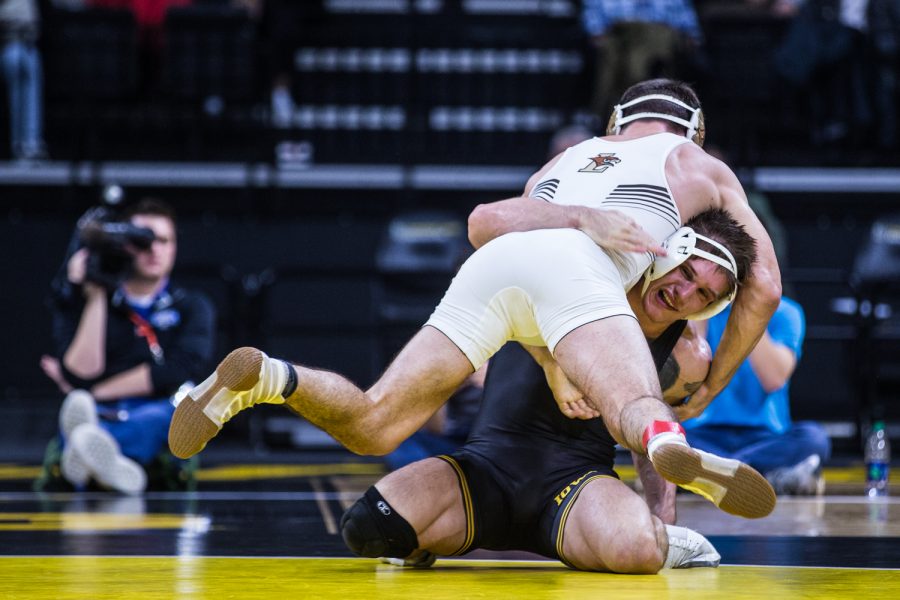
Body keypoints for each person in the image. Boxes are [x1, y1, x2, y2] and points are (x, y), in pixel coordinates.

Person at [169, 78, 782, 520]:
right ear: (696, 131)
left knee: (375, 422)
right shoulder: (696, 163)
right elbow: (764, 285)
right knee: (640, 402)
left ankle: (268, 378)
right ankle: (666, 444)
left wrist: (551, 356)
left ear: (617, 123)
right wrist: (711, 387)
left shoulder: (567, 159)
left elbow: (483, 224)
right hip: (577, 270)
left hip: (494, 270)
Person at [340, 212, 741, 574]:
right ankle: (423, 534)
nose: (683, 294)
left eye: (703, 294)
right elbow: (491, 265)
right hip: (487, 471)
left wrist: (663, 515)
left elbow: (650, 441)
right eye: (686, 274)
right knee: (369, 526)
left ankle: (663, 541)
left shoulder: (687, 357)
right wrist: (549, 360)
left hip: (577, 487)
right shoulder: (579, 276)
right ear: (668, 255)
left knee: (636, 550)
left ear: (710, 308)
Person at [37, 198, 216, 493]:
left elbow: (177, 369)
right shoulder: (88, 299)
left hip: (156, 407)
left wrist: (93, 390)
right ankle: (107, 465)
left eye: (163, 240)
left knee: (159, 417)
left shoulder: (192, 306)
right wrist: (96, 295)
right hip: (101, 408)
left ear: (174, 247)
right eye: (142, 241)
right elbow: (80, 372)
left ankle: (85, 455)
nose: (153, 250)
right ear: (123, 246)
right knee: (83, 411)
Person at [684, 296, 831, 495]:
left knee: (814, 438)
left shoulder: (786, 312)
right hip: (704, 433)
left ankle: (713, 476)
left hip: (764, 438)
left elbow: (773, 379)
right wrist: (701, 307)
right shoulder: (695, 305)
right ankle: (764, 478)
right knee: (664, 439)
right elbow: (686, 375)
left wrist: (750, 311)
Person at [581, 0, 703, 123]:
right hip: (618, 36)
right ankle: (605, 114)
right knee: (614, 56)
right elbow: (593, 22)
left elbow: (689, 28)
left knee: (655, 48)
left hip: (660, 35)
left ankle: (658, 110)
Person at [0, 0, 47, 161]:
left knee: (32, 84)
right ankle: (18, 144)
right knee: (15, 62)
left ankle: (31, 143)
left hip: (29, 40)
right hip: (7, 41)